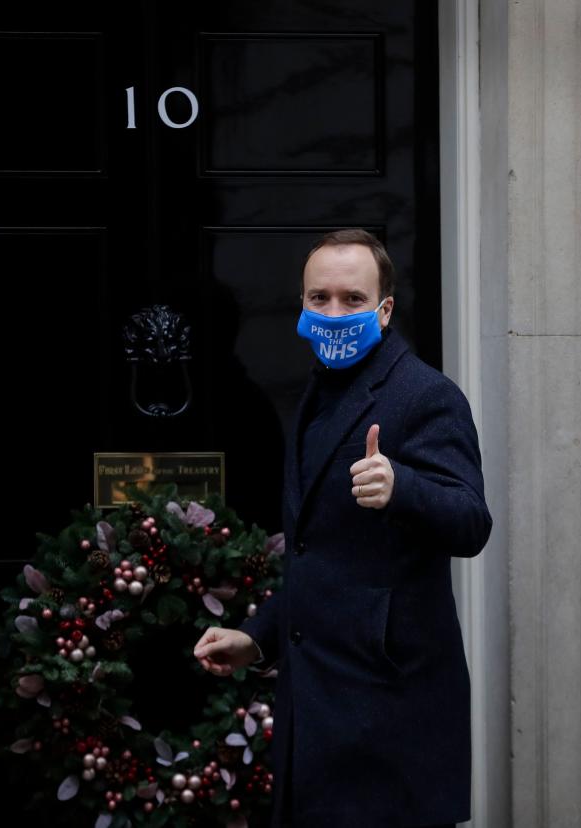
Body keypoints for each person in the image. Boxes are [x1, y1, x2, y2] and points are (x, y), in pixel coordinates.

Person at [193, 229, 492, 827]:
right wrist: (257, 636)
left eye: (352, 300)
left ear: (384, 310)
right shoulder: (318, 395)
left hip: (389, 716)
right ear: (302, 307)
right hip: (319, 711)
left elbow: (471, 522)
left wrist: (401, 487)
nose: (333, 312)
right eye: (319, 298)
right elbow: (321, 554)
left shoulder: (425, 395)